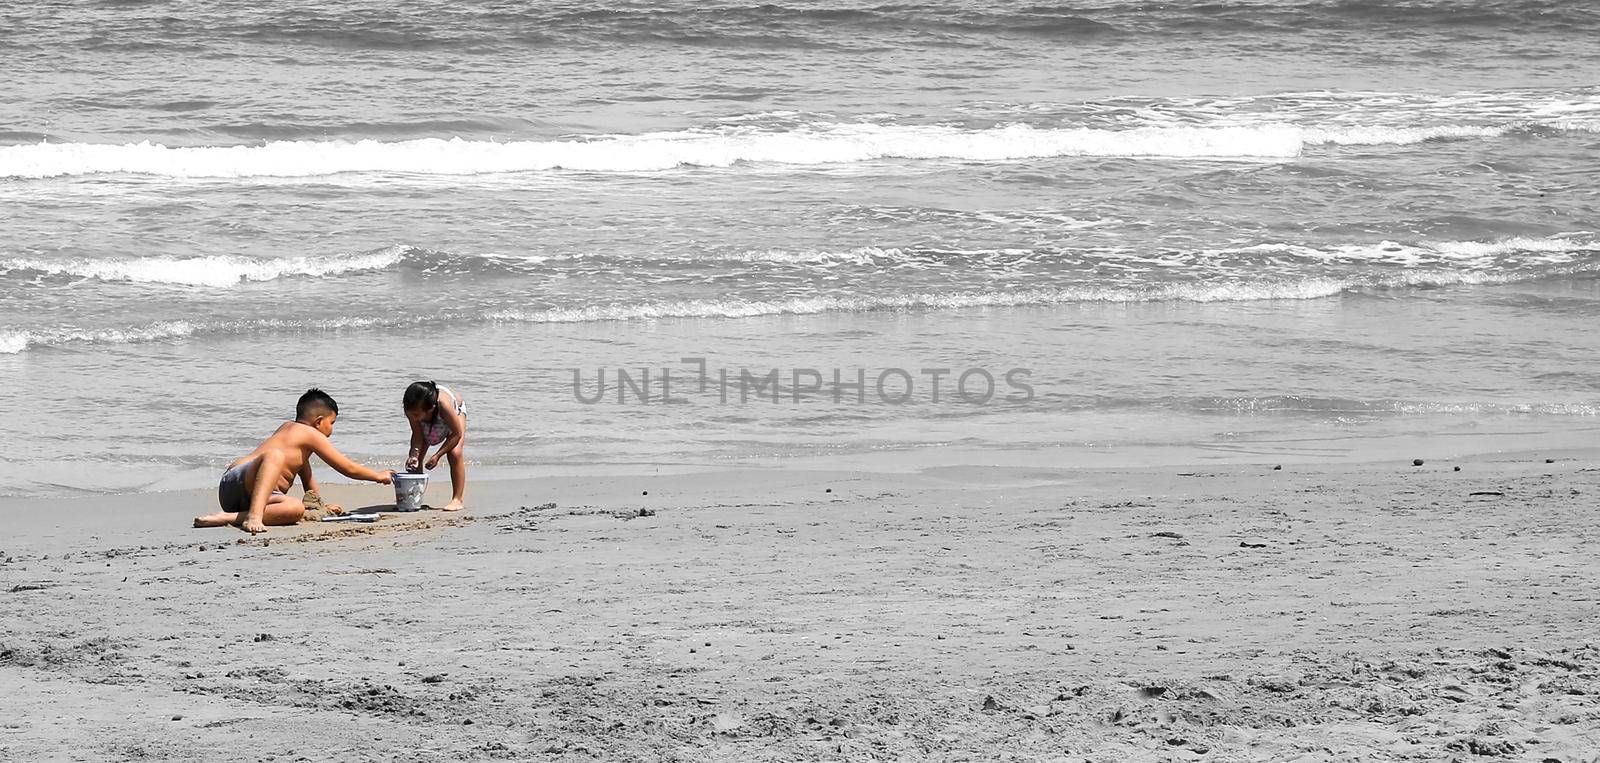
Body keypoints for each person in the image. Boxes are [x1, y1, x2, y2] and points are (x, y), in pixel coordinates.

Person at [193, 388, 394, 533]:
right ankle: (253, 516)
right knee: (275, 456)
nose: (331, 430)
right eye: (331, 423)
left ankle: (228, 517)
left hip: (235, 496)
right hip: (242, 479)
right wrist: (377, 476)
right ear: (318, 422)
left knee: (296, 509)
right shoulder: (309, 433)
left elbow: (304, 471)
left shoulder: (288, 430)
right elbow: (347, 467)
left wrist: (318, 505)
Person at [403, 380, 468, 511]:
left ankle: (457, 499)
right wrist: (413, 454)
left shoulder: (443, 405)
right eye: (411, 414)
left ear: (431, 409)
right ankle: (415, 498)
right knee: (417, 458)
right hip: (429, 416)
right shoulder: (412, 409)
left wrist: (438, 455)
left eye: (416, 414)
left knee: (455, 453)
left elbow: (456, 434)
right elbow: (417, 435)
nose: (413, 418)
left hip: (456, 414)